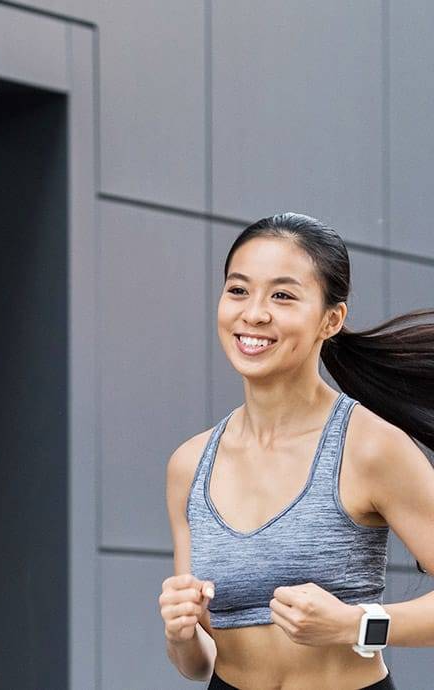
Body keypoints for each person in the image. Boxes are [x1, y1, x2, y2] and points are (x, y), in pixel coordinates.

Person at [159, 213, 434, 689]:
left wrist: (355, 624)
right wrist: (182, 634)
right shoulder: (189, 464)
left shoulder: (370, 447)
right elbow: (199, 663)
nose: (254, 313)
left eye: (282, 295)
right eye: (238, 290)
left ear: (331, 319)